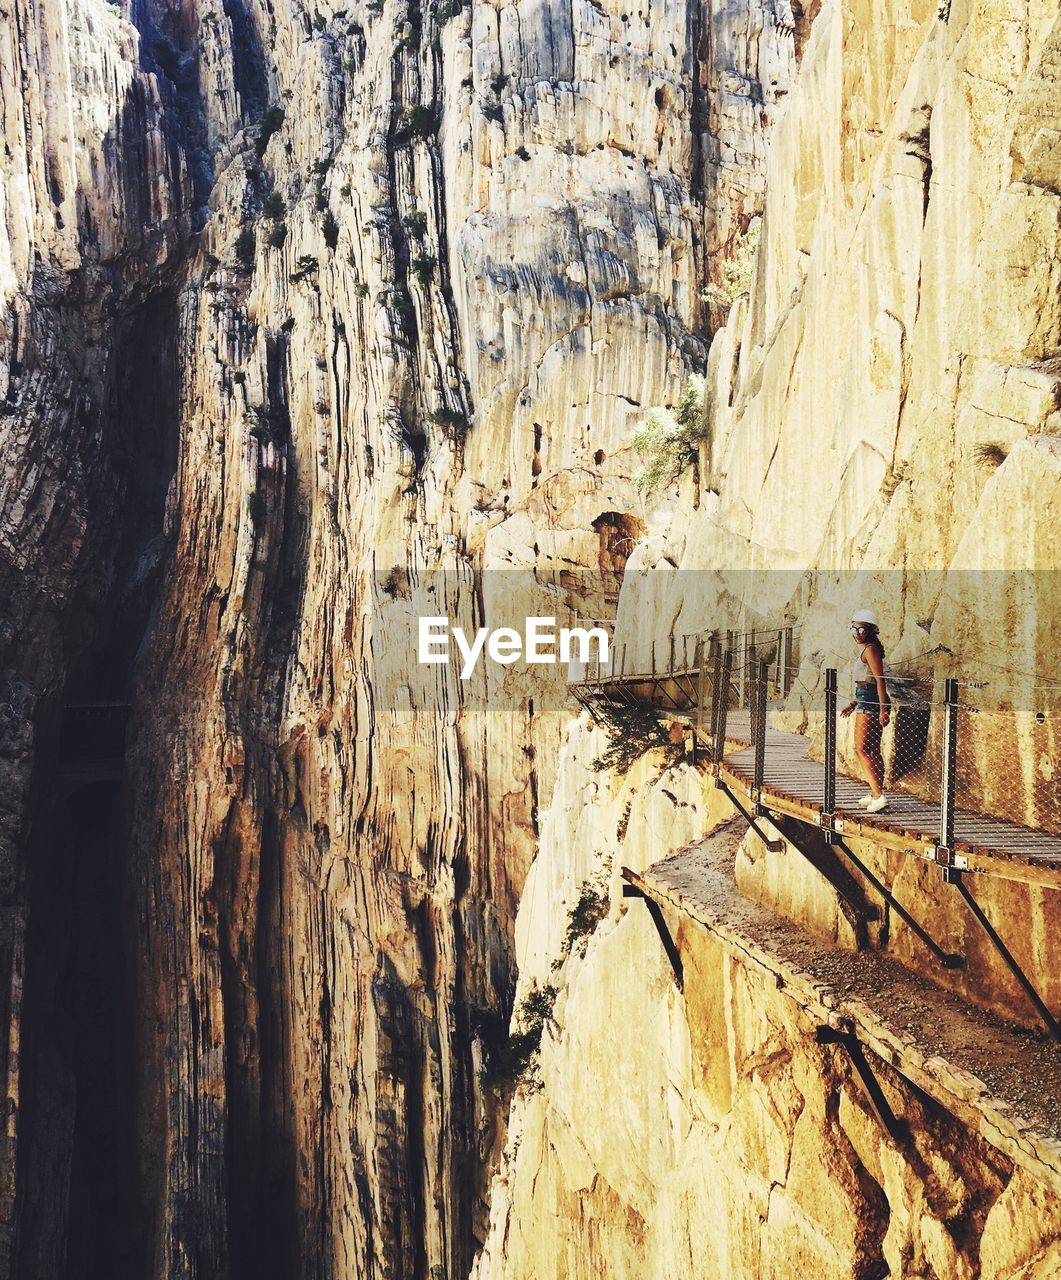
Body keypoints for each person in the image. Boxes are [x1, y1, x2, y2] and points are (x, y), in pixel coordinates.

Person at [840, 609, 890, 812]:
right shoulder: (867, 649)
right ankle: (875, 792)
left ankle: (879, 795)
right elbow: (866, 682)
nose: (857, 632)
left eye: (862, 629)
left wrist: (883, 708)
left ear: (870, 631)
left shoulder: (870, 649)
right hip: (864, 699)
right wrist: (853, 704)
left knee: (861, 749)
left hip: (870, 701)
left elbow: (879, 681)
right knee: (872, 750)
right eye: (854, 628)